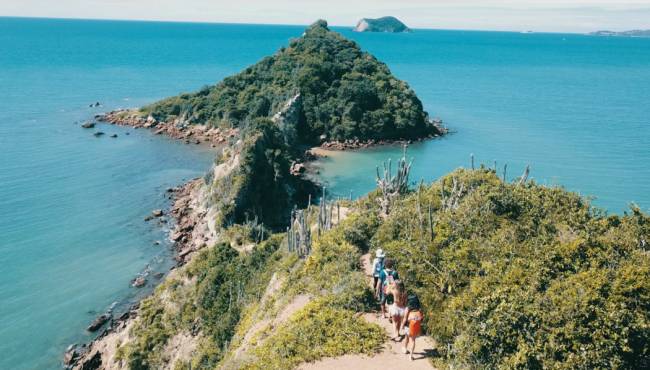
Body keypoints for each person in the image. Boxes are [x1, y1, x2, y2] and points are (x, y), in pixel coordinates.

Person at [402, 294, 424, 361]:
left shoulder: (408, 308)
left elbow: (405, 319)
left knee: (406, 338)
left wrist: (402, 325)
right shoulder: (419, 309)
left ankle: (405, 349)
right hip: (415, 327)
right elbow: (421, 318)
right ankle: (411, 356)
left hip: (408, 326)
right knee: (413, 341)